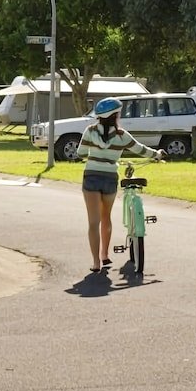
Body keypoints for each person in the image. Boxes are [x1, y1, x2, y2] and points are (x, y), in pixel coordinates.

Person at [77, 97, 165, 272]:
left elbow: (80, 153)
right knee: (105, 217)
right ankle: (105, 255)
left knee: (93, 222)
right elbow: (140, 149)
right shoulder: (122, 135)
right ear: (115, 115)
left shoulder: (90, 131)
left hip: (91, 177)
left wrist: (94, 155)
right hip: (110, 177)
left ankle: (96, 263)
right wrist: (158, 154)